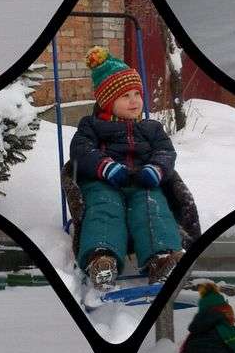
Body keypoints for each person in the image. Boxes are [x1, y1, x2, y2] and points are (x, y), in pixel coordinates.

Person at [69, 46, 184, 289]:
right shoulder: (92, 126)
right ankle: (102, 259)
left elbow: (166, 152)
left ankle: (161, 259)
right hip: (104, 183)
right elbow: (81, 150)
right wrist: (106, 167)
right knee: (104, 208)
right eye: (125, 96)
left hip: (143, 182)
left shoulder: (151, 128)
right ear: (107, 102)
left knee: (152, 208)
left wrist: (155, 169)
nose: (134, 101)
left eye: (137, 94)